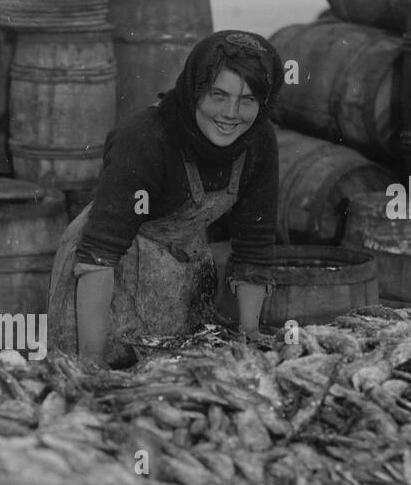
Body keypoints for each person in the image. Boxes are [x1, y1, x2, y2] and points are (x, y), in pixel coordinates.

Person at [46, 30, 282, 367]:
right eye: (218, 95)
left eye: (248, 100)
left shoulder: (258, 141)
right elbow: (100, 256)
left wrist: (249, 336)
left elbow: (255, 245)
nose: (231, 113)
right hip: (102, 280)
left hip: (177, 274)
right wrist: (91, 364)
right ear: (194, 91)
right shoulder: (144, 139)